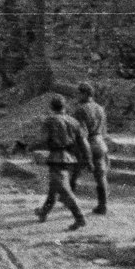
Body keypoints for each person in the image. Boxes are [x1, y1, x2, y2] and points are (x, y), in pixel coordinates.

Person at [34, 94, 91, 228]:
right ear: (65, 107)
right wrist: (88, 159)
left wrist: (32, 145)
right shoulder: (74, 121)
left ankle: (80, 218)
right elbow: (83, 143)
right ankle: (43, 212)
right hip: (70, 158)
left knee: (64, 189)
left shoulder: (49, 121)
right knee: (54, 187)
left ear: (51, 107)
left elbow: (42, 140)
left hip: (57, 157)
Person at [69, 82, 111, 215]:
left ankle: (68, 199)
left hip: (86, 145)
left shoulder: (80, 110)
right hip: (100, 144)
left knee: (74, 172)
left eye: (79, 93)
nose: (77, 96)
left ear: (85, 94)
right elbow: (104, 131)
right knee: (101, 177)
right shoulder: (100, 108)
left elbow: (81, 134)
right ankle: (103, 205)